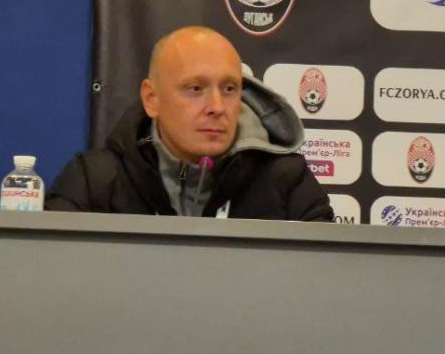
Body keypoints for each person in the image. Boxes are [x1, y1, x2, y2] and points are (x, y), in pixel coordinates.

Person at [46, 25, 333, 220]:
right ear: (151, 99)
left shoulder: (287, 181)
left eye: (229, 89)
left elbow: (326, 281)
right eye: (195, 89)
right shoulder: (93, 182)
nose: (217, 107)